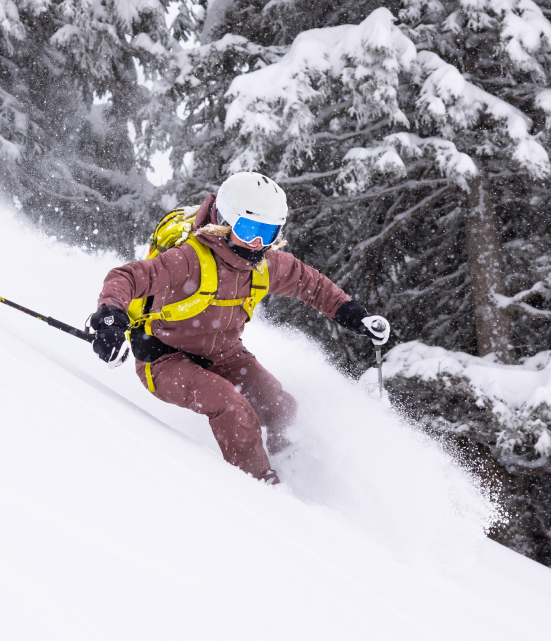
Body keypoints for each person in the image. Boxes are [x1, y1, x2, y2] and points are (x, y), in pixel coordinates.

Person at [87, 172, 391, 484]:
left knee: (281, 407)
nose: (258, 243)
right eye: (248, 230)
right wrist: (110, 316)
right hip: (165, 359)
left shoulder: (264, 265)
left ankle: (292, 470)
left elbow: (308, 283)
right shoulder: (189, 259)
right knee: (233, 407)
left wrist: (353, 314)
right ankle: (260, 490)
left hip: (226, 356)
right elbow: (127, 277)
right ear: (224, 220)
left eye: (268, 232)